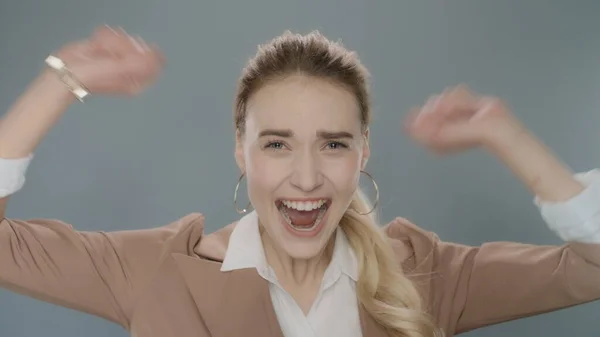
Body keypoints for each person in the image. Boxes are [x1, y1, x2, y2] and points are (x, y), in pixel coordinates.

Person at [0, 25, 598, 337]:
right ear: (241, 150)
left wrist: (504, 135)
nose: (307, 177)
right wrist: (62, 79)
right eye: (277, 144)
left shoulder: (423, 275)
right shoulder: (156, 271)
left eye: (333, 144)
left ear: (363, 152)